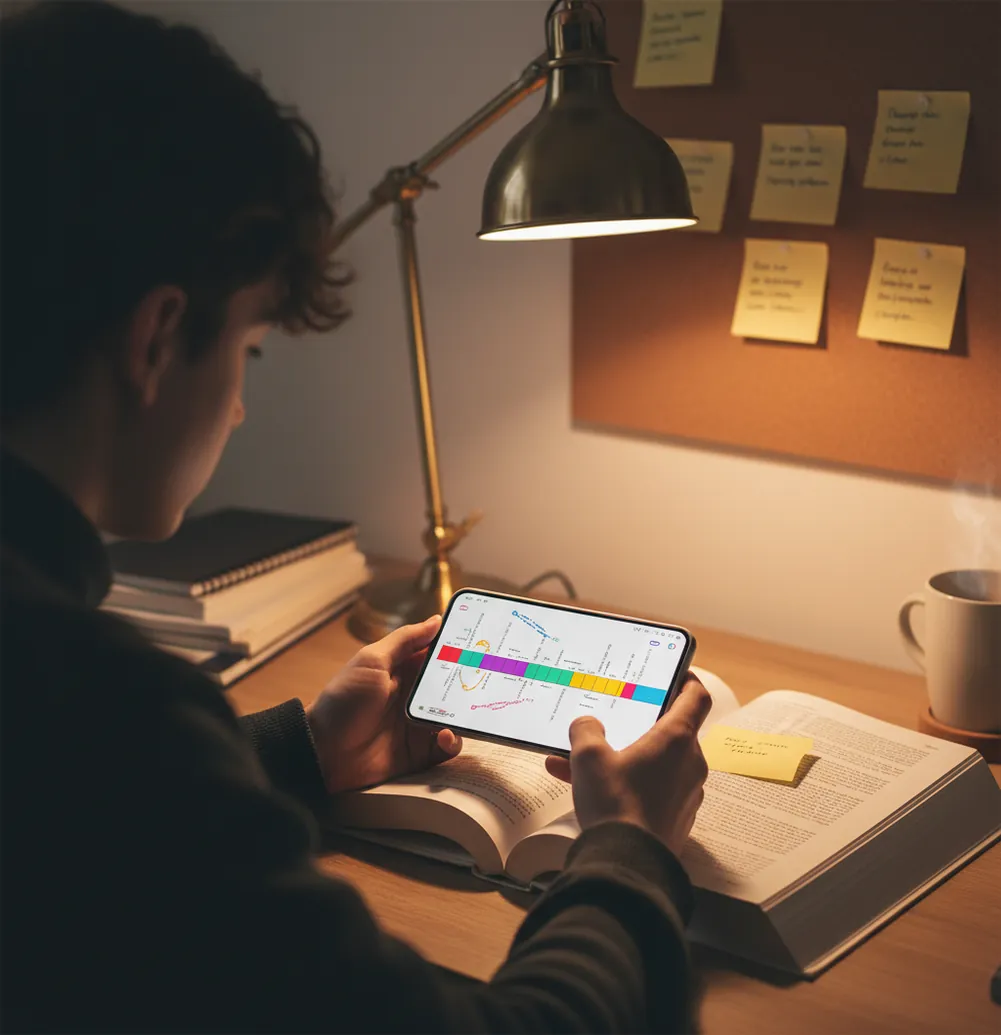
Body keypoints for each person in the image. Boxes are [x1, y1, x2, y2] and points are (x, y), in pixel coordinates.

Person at [0, 2, 712, 1031]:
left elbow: (81, 827)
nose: (243, 405)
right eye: (249, 349)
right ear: (157, 339)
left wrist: (298, 757)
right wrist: (631, 857)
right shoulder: (102, 713)